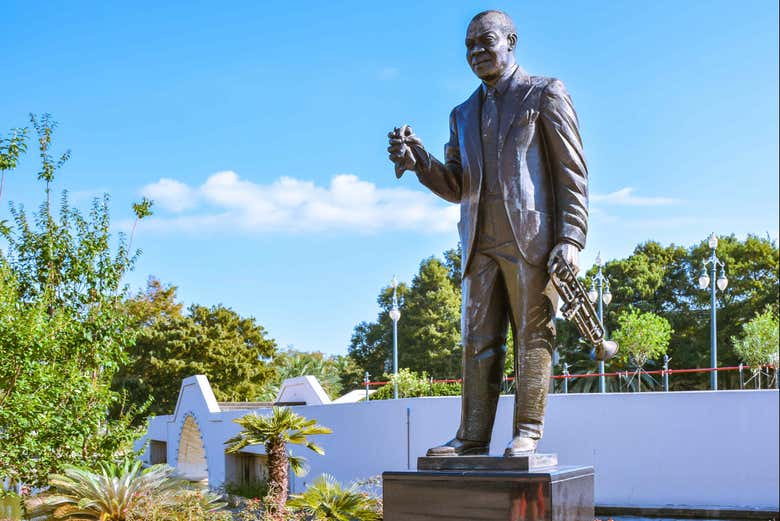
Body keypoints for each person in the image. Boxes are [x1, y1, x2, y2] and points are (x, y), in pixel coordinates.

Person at [387, 9, 588, 457]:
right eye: (469, 46)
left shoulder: (545, 93)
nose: (476, 51)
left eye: (486, 41)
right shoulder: (461, 114)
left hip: (533, 240)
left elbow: (572, 172)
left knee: (533, 337)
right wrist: (419, 162)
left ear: (511, 41)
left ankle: (527, 431)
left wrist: (571, 238)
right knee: (476, 341)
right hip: (479, 241)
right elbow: (456, 186)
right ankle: (471, 437)